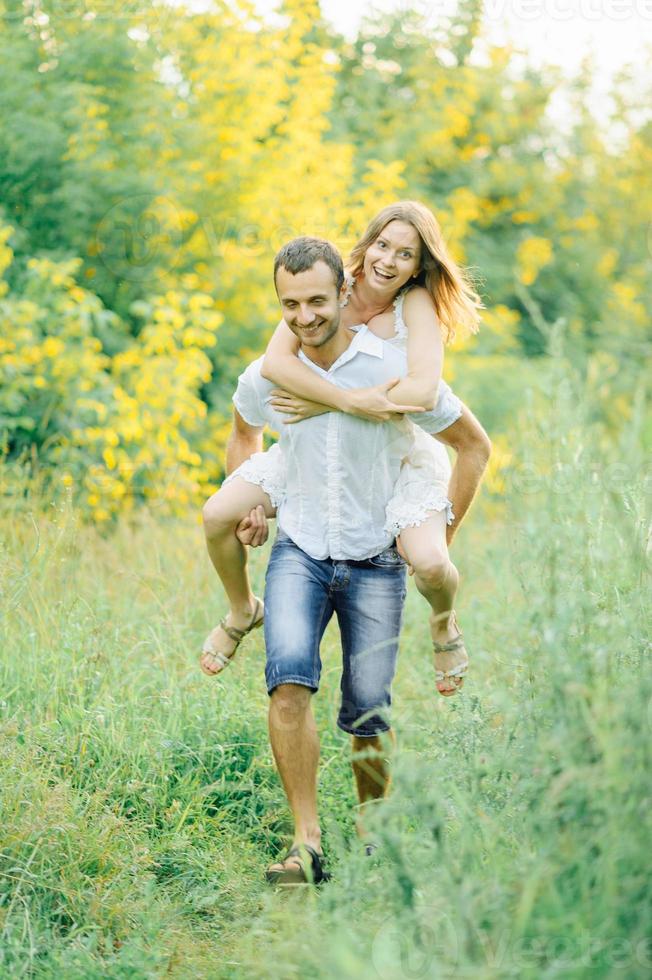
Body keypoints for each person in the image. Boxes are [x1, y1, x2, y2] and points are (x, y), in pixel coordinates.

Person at [217, 236, 479, 883]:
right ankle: (306, 847)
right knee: (287, 686)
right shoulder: (271, 373)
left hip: (373, 559)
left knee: (368, 713)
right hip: (299, 550)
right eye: (289, 305)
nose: (304, 316)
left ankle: (373, 841)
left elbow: (472, 443)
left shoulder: (392, 369)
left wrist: (436, 530)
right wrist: (250, 498)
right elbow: (242, 426)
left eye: (315, 300)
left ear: (345, 293)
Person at [201, 202, 491, 695]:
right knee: (216, 515)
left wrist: (331, 405)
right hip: (323, 446)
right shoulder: (330, 285)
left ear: (420, 264)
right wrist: (340, 402)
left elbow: (422, 394)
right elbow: (275, 363)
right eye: (382, 245)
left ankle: (443, 621)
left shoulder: (415, 304)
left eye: (406, 253)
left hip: (394, 449)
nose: (389, 261)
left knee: (432, 564)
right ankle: (241, 608)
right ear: (366, 244)